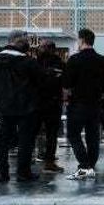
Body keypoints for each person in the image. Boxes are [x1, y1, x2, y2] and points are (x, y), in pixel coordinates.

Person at [0, 31, 42, 183]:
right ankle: (23, 172)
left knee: (3, 140)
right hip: (27, 106)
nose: (28, 43)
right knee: (25, 140)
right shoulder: (28, 61)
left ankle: (2, 172)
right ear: (18, 41)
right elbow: (40, 81)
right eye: (25, 40)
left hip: (4, 106)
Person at [63, 29, 104, 180]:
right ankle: (90, 166)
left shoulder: (74, 59)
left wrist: (67, 97)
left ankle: (84, 166)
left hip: (77, 104)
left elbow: (67, 83)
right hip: (95, 104)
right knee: (93, 137)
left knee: (73, 134)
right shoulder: (101, 60)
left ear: (82, 40)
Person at [36, 41, 65, 173]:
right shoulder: (58, 64)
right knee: (51, 134)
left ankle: (47, 160)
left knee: (46, 133)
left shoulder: (36, 63)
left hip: (41, 102)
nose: (40, 49)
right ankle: (49, 161)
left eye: (43, 47)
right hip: (51, 102)